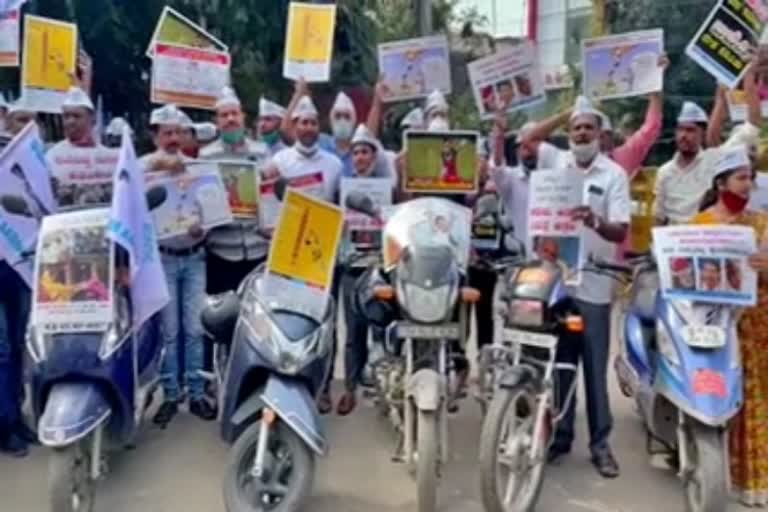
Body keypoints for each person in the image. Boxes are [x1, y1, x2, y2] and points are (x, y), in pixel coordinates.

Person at [533, 95, 630, 478]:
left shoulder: (613, 176)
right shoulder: (556, 166)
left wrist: (595, 221)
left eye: (588, 126)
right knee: (561, 364)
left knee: (593, 367)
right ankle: (560, 438)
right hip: (558, 283)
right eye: (576, 127)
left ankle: (600, 445)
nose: (582, 132)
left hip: (594, 285)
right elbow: (527, 140)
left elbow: (620, 229)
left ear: (600, 134)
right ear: (568, 134)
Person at [691, 145, 768, 507]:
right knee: (719, 393)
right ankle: (712, 468)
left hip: (756, 325)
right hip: (714, 322)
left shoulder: (761, 222)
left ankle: (754, 479)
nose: (747, 185)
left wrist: (763, 267)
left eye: (750, 178)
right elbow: (683, 275)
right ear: (721, 182)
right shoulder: (700, 225)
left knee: (756, 399)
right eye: (740, 178)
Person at [141, 104, 216, 426]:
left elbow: (212, 210)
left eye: (178, 132)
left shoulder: (199, 169)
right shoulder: (143, 169)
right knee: (170, 331)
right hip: (164, 259)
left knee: (195, 329)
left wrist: (205, 227)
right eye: (167, 132)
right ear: (156, 135)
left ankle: (197, 392)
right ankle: (171, 394)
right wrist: (154, 169)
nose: (173, 139)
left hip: (195, 256)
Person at [268, 95, 343, 413]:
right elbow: (266, 201)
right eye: (302, 122)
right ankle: (291, 381)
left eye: (313, 122)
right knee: (290, 320)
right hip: (289, 254)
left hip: (324, 255)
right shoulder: (279, 162)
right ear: (294, 126)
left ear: (318, 126)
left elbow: (343, 204)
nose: (308, 128)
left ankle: (323, 385)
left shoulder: (334, 164)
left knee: (325, 320)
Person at [335, 124, 396, 416]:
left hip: (380, 266)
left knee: (381, 327)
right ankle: (349, 388)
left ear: (374, 156)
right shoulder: (342, 189)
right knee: (353, 331)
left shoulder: (388, 189)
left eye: (366, 152)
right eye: (356, 152)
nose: (360, 157)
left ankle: (385, 387)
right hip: (351, 266)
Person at [655, 67, 762, 225]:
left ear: (701, 133)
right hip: (678, 242)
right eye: (681, 129)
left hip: (709, 236)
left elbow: (753, 124)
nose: (684, 136)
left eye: (690, 130)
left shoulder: (716, 160)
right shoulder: (664, 172)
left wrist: (748, 75)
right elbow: (658, 217)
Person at [201, 86, 271, 294]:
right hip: (221, 250)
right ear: (217, 122)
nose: (230, 119)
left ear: (243, 117)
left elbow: (270, 196)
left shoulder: (261, 152)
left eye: (234, 114)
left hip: (258, 249)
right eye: (224, 115)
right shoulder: (205, 156)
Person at [46, 87, 119, 207]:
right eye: (66, 116)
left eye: (76, 116)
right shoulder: (52, 156)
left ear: (92, 119)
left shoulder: (109, 157)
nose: (71, 121)